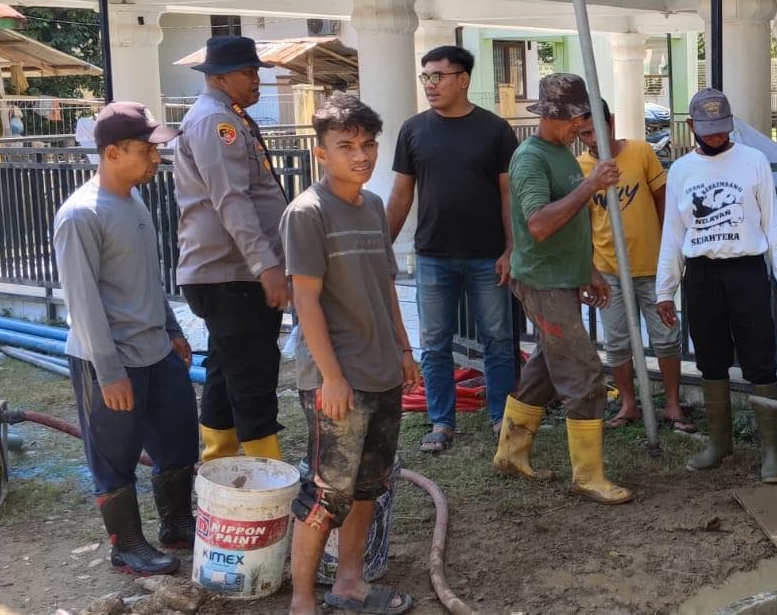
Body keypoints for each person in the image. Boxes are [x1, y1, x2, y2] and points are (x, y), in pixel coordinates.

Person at [283, 93, 420, 615]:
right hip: (336, 380)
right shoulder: (308, 212)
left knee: (369, 487)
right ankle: (301, 601)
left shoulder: (374, 206)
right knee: (326, 493)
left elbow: (385, 286)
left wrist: (404, 349)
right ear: (322, 152)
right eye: (345, 146)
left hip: (382, 370)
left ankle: (349, 583)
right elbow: (306, 301)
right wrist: (332, 378)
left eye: (367, 145)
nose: (360, 156)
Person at [52, 102, 197, 575]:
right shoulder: (80, 215)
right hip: (110, 361)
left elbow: (146, 279)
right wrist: (110, 373)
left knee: (177, 441)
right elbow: (84, 303)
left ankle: (177, 525)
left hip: (156, 349)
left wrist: (172, 328)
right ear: (112, 153)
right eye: (146, 151)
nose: (156, 159)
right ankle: (127, 546)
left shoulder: (133, 200)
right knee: (114, 457)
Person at [491, 73, 631, 505]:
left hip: (560, 278)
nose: (582, 129)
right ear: (552, 115)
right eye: (576, 120)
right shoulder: (532, 159)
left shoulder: (561, 154)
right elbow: (539, 223)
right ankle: (588, 476)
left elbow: (570, 223)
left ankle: (510, 454)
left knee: (545, 369)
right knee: (584, 374)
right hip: (543, 282)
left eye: (585, 120)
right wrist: (592, 184)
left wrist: (586, 268)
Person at [654, 88, 777, 484]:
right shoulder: (681, 171)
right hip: (701, 274)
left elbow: (773, 222)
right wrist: (665, 289)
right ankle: (719, 442)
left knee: (759, 359)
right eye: (708, 130)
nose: (716, 137)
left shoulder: (753, 161)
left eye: (722, 129)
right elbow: (672, 234)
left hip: (747, 271)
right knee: (710, 358)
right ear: (691, 127)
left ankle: (771, 450)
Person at [387, 45, 520, 451]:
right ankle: (441, 422)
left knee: (498, 339)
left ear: (463, 80)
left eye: (437, 76)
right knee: (435, 342)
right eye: (425, 76)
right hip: (433, 256)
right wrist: (379, 248)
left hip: (487, 255)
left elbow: (507, 195)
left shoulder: (496, 130)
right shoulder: (413, 130)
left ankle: (502, 418)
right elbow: (401, 195)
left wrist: (511, 248)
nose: (429, 84)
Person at [173, 35, 288, 462]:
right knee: (254, 373)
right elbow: (231, 199)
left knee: (226, 368)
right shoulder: (214, 122)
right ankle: (266, 470)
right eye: (248, 72)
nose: (256, 80)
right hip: (231, 273)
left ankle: (218, 459)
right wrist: (266, 265)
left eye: (256, 71)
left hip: (230, 272)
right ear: (219, 76)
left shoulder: (228, 116)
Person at [575, 99, 692, 432]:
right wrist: (588, 270)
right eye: (582, 134)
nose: (590, 140)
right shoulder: (581, 168)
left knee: (667, 338)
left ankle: (672, 405)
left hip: (652, 267)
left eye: (593, 130)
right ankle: (629, 404)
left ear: (610, 122)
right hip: (608, 269)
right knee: (617, 342)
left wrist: (670, 254)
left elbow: (662, 202)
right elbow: (582, 222)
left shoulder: (640, 152)